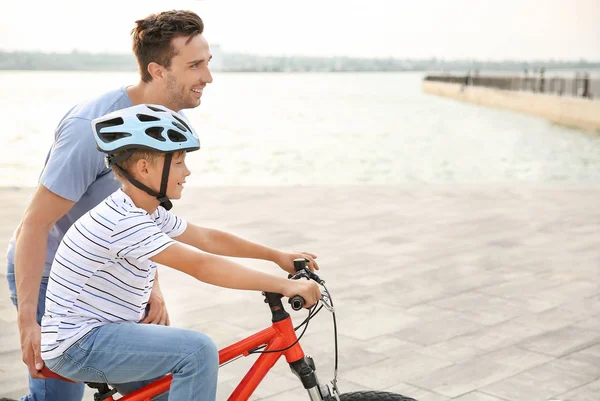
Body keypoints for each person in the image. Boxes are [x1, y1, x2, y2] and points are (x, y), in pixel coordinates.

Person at [5, 10, 220, 401]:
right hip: (54, 280)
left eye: (207, 63)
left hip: (111, 277)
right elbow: (34, 226)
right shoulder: (92, 127)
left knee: (159, 391)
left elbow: (142, 215)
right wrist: (28, 322)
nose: (208, 76)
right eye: (195, 65)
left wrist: (150, 287)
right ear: (157, 70)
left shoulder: (161, 124)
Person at [40, 104, 322, 400]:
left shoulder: (145, 210)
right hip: (79, 345)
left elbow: (207, 239)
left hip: (104, 333)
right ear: (144, 168)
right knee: (197, 351)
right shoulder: (123, 221)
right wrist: (284, 285)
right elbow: (202, 265)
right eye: (178, 162)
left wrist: (276, 255)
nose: (187, 172)